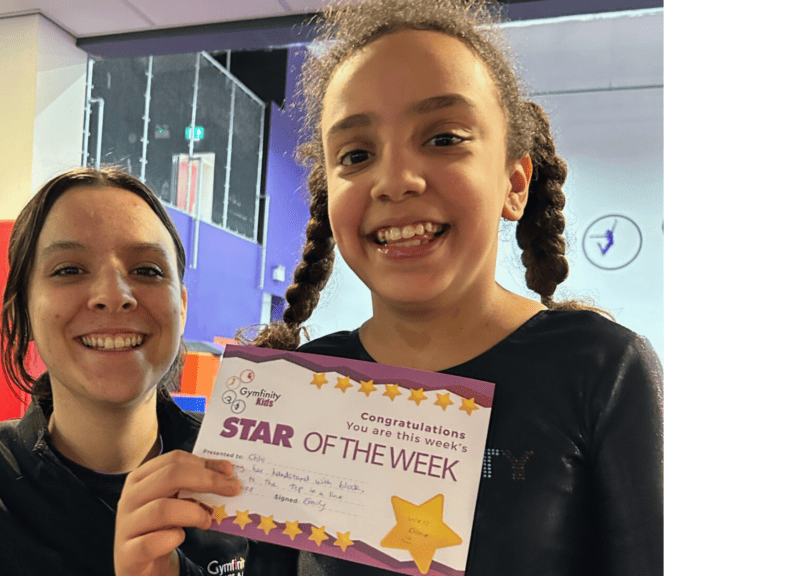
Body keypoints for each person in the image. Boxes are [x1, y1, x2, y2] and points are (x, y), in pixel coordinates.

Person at [248, 1, 663, 574]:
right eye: (357, 154)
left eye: (444, 138)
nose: (395, 180)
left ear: (514, 184)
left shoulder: (600, 367)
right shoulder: (307, 386)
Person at [0, 167, 254, 576]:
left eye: (147, 270)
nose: (113, 296)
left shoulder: (247, 472)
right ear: (23, 308)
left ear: (181, 305)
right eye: (69, 270)